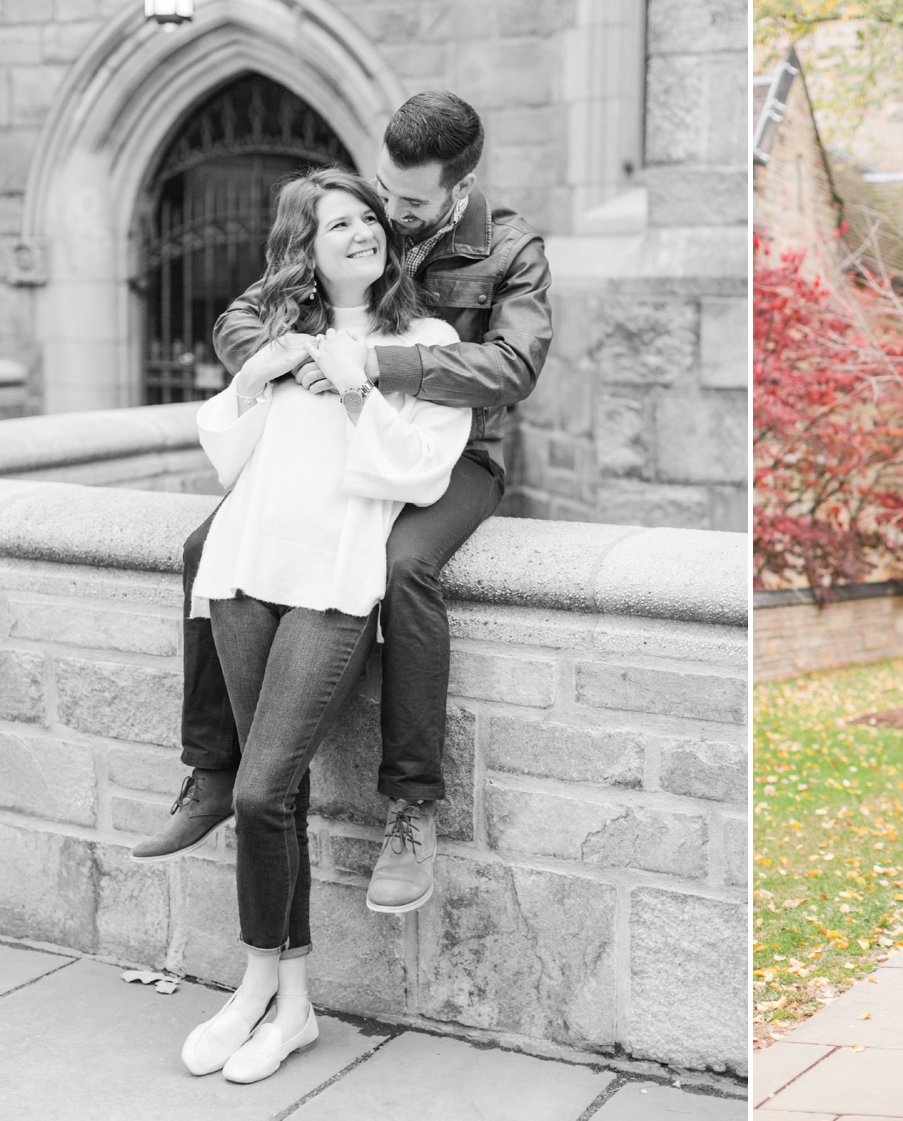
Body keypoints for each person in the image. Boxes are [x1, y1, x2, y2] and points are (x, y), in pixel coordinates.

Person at [131, 91, 553, 916]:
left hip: (458, 452)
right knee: (200, 549)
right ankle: (215, 765)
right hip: (339, 436)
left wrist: (377, 366)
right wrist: (292, 360)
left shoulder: (510, 247)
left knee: (405, 566)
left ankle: (411, 806)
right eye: (384, 192)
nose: (389, 216)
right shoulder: (366, 218)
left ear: (459, 187)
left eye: (412, 202)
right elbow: (245, 316)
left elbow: (512, 369)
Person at [176, 167, 470, 1081]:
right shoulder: (281, 335)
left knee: (262, 791)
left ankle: (265, 986)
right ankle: (278, 995)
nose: (358, 233)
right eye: (334, 224)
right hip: (242, 573)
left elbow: (423, 473)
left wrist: (354, 387)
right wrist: (261, 373)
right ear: (304, 249)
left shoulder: (425, 341)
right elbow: (227, 454)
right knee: (282, 802)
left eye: (366, 219)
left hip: (334, 589)